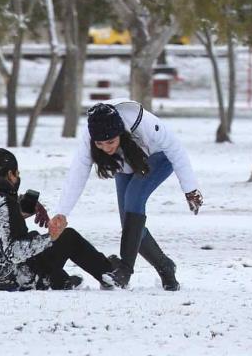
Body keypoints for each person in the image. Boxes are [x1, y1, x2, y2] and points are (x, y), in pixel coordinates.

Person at [50, 100, 204, 291]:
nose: (105, 148)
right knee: (130, 224)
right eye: (99, 144)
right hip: (126, 163)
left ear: (121, 133)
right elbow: (78, 172)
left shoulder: (144, 123)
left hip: (159, 157)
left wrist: (190, 189)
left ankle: (124, 270)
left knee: (133, 200)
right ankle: (165, 266)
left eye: (110, 142)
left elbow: (177, 150)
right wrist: (62, 212)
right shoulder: (90, 134)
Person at [0, 148, 131, 291]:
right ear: (10, 174)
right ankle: (109, 274)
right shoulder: (4, 203)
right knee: (68, 237)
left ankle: (60, 280)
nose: (18, 178)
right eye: (17, 174)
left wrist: (19, 213)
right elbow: (14, 253)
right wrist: (51, 236)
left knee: (35, 238)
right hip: (15, 278)